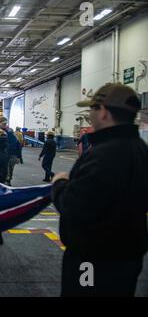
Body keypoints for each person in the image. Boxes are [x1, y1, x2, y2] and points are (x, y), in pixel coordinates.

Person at [51, 83, 148, 297]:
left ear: (103, 112)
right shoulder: (141, 149)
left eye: (92, 110)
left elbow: (74, 206)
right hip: (128, 256)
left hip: (94, 258)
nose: (90, 116)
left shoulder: (104, 155)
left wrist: (59, 183)